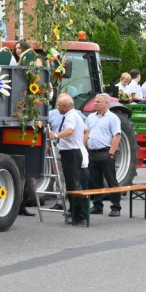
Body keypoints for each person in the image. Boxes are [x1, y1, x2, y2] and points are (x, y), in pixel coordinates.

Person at [48, 93, 88, 225]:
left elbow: (70, 131)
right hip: (71, 152)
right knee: (73, 183)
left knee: (73, 184)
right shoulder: (74, 115)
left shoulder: (71, 116)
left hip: (71, 153)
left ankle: (79, 215)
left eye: (59, 106)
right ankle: (76, 212)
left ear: (65, 106)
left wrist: (56, 135)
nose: (58, 108)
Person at [83, 93, 123, 217]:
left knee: (111, 181)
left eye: (98, 102)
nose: (95, 104)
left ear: (106, 103)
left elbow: (117, 135)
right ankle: (97, 205)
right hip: (92, 153)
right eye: (95, 102)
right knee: (95, 181)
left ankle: (116, 207)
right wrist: (85, 148)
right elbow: (86, 132)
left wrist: (111, 153)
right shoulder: (91, 117)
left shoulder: (112, 118)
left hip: (105, 152)